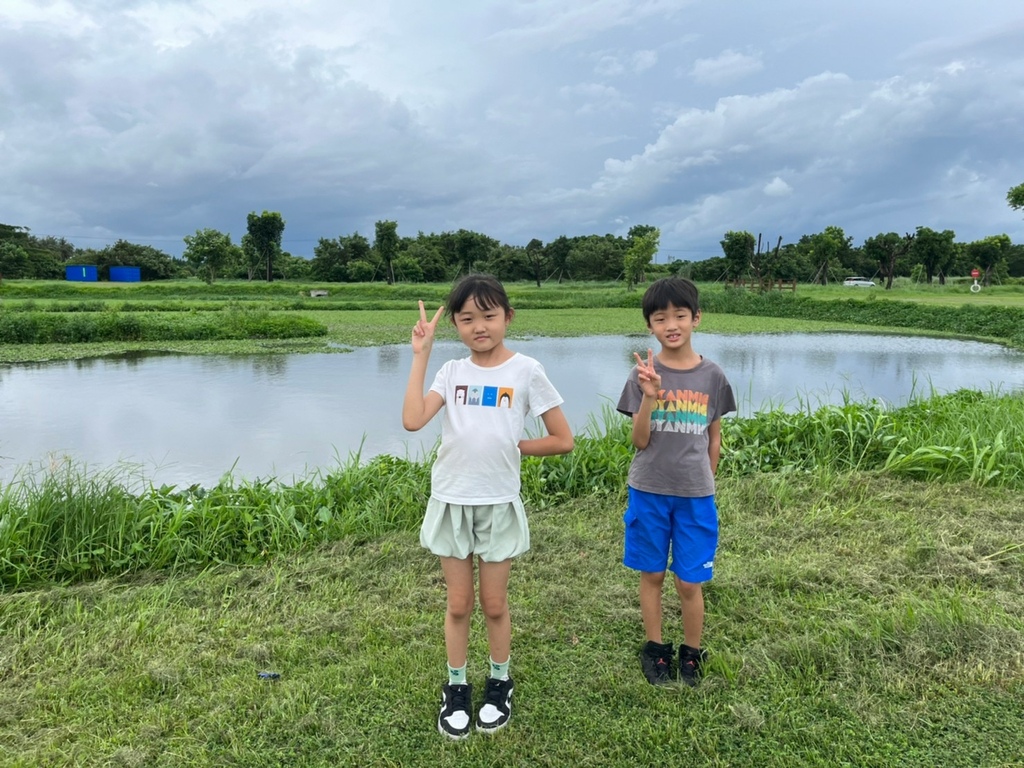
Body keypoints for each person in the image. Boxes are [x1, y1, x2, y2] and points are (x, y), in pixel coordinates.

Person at [402, 274, 574, 738]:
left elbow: (563, 439)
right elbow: (413, 420)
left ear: (508, 317)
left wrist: (517, 446)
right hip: (451, 500)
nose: (479, 326)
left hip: (498, 503)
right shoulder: (451, 372)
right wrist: (420, 356)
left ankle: (500, 682)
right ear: (456, 325)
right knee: (458, 604)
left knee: (494, 604)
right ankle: (456, 687)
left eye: (489, 315)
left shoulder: (526, 371)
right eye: (467, 319)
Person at [615, 277, 736, 687]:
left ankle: (691, 651)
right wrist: (650, 396)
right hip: (648, 490)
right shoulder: (643, 374)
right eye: (660, 317)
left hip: (695, 495)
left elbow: (714, 437)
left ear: (695, 318)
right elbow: (639, 440)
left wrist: (706, 481)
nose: (671, 324)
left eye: (679, 315)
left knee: (690, 579)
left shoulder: (713, 376)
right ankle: (655, 650)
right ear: (649, 325)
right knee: (652, 574)